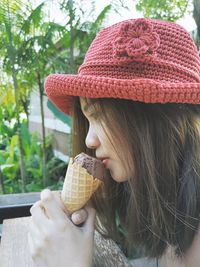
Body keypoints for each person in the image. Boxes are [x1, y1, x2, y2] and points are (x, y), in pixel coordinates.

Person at [28, 17, 200, 267]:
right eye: (87, 120)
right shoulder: (167, 203)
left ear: (155, 117)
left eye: (99, 116)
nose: (89, 140)